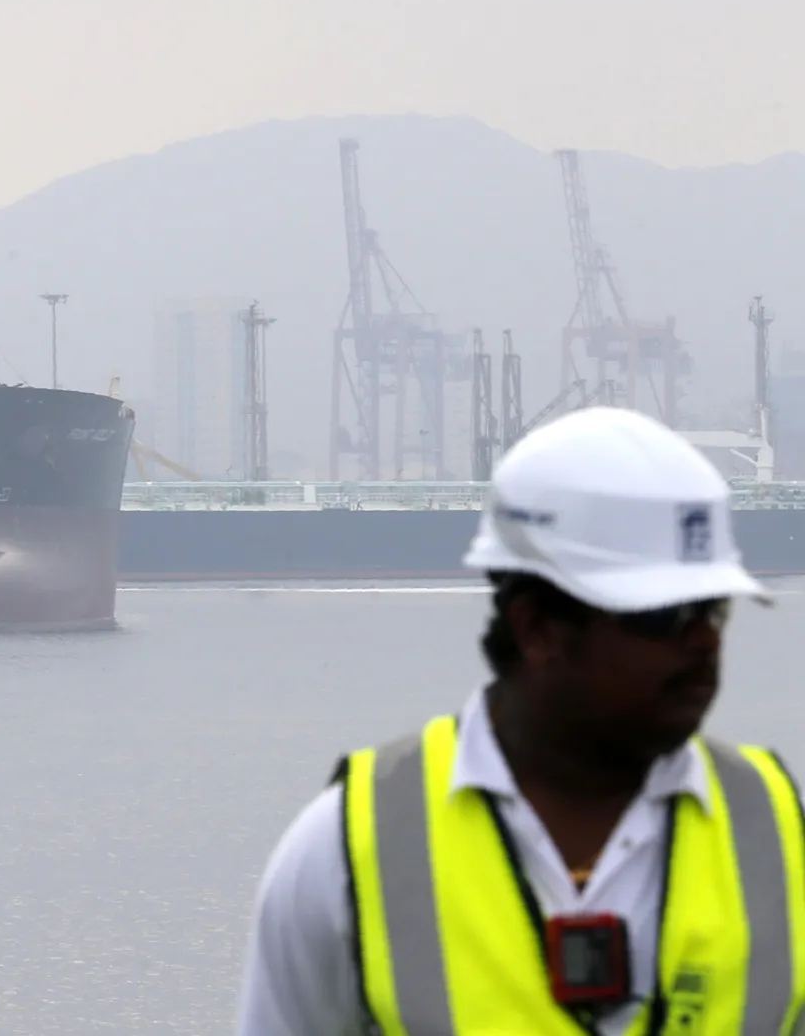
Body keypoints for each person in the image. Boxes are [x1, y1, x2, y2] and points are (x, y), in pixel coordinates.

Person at [236, 406, 805, 1035]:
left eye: (715, 611)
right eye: (664, 615)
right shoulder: (348, 853)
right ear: (537, 627)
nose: (703, 642)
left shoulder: (782, 839)